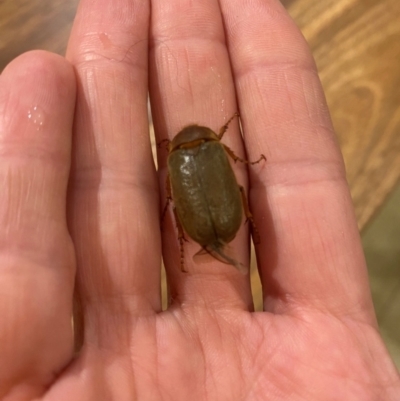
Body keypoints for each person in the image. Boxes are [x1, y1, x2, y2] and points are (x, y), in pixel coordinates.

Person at [0, 0, 399, 399]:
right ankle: (214, 240)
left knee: (186, 204)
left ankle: (196, 246)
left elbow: (175, 199)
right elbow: (227, 171)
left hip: (208, 221)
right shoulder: (214, 147)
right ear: (212, 137)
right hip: (225, 217)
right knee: (233, 192)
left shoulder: (176, 160)